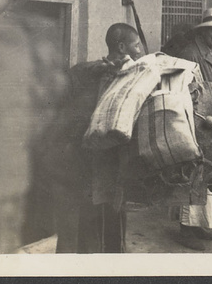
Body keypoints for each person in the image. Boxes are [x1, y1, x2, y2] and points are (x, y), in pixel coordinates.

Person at [52, 23, 144, 253]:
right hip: (88, 159)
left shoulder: (134, 75)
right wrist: (104, 67)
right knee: (91, 215)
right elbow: (77, 75)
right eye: (136, 45)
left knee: (111, 211)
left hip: (110, 159)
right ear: (122, 47)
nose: (140, 50)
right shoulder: (91, 72)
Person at [174, 7, 212, 251]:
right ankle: (185, 228)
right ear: (203, 31)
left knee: (209, 171)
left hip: (210, 117)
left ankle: (199, 224)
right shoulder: (190, 53)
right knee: (193, 170)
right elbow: (179, 85)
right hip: (194, 114)